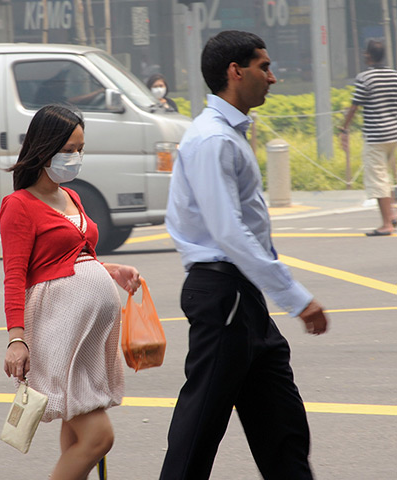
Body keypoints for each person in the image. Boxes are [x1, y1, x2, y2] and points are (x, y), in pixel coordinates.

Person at [161, 30, 329, 480]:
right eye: (264, 67)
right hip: (224, 293)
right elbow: (229, 232)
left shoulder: (228, 134)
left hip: (240, 297)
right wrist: (296, 296)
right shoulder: (213, 140)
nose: (272, 78)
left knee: (283, 427)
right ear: (236, 72)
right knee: (199, 429)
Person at [1, 104, 142, 480]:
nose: (75, 157)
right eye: (68, 149)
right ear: (44, 148)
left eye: (80, 148)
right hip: (59, 331)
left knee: (77, 433)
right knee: (98, 437)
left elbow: (77, 257)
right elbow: (15, 276)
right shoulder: (18, 205)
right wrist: (17, 338)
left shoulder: (72, 197)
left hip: (89, 338)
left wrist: (112, 270)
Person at [339, 38, 397, 236]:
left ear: (369, 55)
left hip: (376, 136)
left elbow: (355, 106)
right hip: (394, 134)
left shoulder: (365, 78)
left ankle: (386, 224)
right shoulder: (394, 75)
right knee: (388, 177)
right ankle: (392, 216)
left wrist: (343, 128)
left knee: (379, 179)